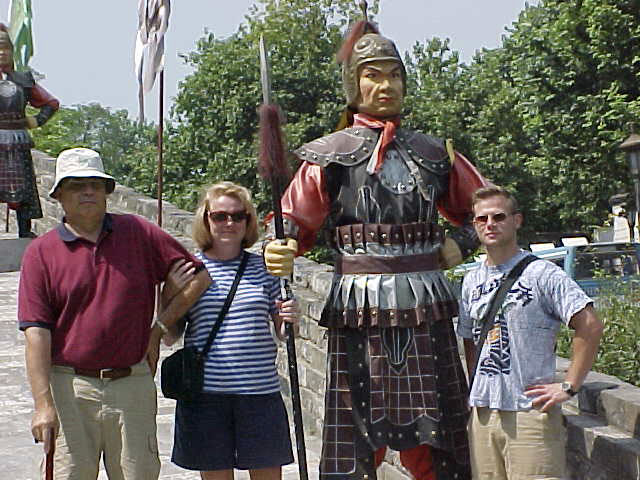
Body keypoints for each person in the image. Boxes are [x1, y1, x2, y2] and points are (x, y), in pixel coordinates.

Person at [263, 17, 487, 480]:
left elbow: (488, 210)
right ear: (354, 83)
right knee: (356, 438)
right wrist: (279, 247)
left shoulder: (434, 152)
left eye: (394, 75)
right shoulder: (328, 156)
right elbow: (291, 222)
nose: (386, 85)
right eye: (373, 75)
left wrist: (460, 243)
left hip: (426, 303)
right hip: (358, 308)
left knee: (440, 438)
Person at [18, 147, 211, 479]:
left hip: (131, 384)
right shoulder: (41, 253)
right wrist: (43, 404)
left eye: (95, 184)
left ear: (107, 191)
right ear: (59, 195)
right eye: (77, 186)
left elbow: (199, 277)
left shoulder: (137, 233)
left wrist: (158, 329)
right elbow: (36, 332)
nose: (88, 192)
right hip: (69, 387)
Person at [458, 186, 604, 480]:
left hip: (529, 412)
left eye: (499, 216)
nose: (490, 224)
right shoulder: (471, 280)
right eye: (482, 219)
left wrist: (569, 386)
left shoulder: (542, 274)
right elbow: (470, 338)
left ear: (517, 220)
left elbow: (590, 325)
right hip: (484, 412)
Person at [165, 181, 298, 480]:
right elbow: (170, 335)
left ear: (248, 222)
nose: (230, 223)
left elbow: (283, 332)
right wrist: (169, 293)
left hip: (259, 393)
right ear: (205, 219)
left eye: (239, 216)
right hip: (206, 396)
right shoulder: (191, 270)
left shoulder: (267, 269)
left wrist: (291, 317)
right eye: (220, 216)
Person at [0, 23, 59, 238]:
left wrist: (34, 121)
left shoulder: (22, 80)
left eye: (5, 48)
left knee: (22, 187)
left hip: (17, 140)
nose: (1, 53)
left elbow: (51, 103)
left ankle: (25, 230)